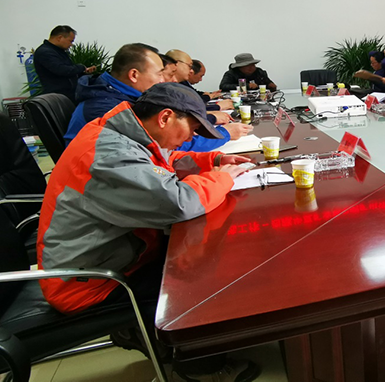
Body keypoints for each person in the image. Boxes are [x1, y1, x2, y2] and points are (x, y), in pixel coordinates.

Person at [37, 82, 260, 382]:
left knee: (200, 249)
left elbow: (163, 162)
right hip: (90, 281)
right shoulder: (107, 154)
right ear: (165, 117)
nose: (192, 138)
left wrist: (214, 160)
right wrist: (222, 179)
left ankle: (152, 336)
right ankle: (201, 372)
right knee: (207, 276)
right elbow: (179, 203)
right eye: (193, 128)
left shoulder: (122, 133)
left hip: (112, 255)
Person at [64, 44, 250, 149]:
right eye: (159, 74)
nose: (163, 80)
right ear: (134, 75)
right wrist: (225, 134)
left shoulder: (115, 94)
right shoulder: (107, 107)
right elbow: (166, 145)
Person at [33, 25, 97, 102]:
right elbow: (61, 70)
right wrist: (81, 67)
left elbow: (69, 71)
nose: (71, 44)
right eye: (70, 41)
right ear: (60, 38)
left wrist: (84, 72)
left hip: (69, 94)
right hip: (59, 97)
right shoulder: (45, 52)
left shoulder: (60, 51)